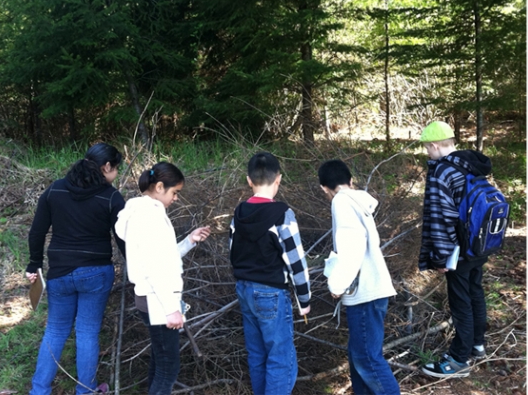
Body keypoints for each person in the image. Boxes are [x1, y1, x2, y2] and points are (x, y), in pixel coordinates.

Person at [25, 143, 126, 395]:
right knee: (87, 332)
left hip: (59, 272)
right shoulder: (112, 197)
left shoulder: (55, 190)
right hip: (96, 272)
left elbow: (37, 231)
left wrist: (34, 264)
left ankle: (39, 390)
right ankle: (86, 390)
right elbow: (124, 238)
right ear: (106, 167)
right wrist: (135, 270)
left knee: (56, 330)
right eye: (116, 169)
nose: (116, 175)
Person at [114, 162, 210, 395]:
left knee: (160, 360)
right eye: (174, 192)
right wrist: (171, 309)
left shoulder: (139, 212)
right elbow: (156, 268)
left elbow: (163, 257)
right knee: (168, 367)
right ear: (159, 187)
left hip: (150, 298)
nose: (175, 198)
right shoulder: (150, 216)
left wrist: (189, 241)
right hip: (158, 301)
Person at [228, 151, 312, 395]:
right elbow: (296, 262)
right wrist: (304, 300)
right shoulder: (282, 215)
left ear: (249, 180)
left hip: (244, 289)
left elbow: (233, 253)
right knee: (281, 360)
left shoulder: (238, 213)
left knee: (257, 355)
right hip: (271, 294)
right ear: (279, 179)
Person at [416, 121, 494, 378]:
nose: (428, 153)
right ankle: (477, 344)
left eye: (428, 148)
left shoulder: (442, 172)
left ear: (436, 145)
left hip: (458, 251)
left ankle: (459, 360)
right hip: (479, 244)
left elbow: (442, 218)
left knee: (461, 302)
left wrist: (440, 256)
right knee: (475, 293)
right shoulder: (470, 165)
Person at [318, 159, 400, 395]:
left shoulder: (342, 203)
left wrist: (337, 283)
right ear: (350, 181)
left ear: (324, 187)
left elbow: (352, 247)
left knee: (368, 360)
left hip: (365, 293)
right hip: (371, 290)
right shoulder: (356, 201)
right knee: (358, 357)